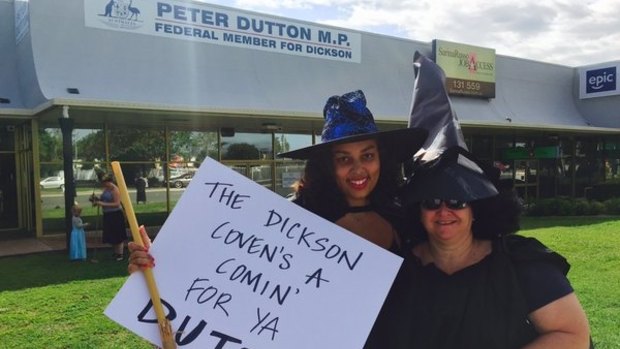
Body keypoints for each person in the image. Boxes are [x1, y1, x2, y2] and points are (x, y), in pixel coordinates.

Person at [127, 90, 428, 349]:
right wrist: (160, 270)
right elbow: (237, 286)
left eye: (367, 155)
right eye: (344, 159)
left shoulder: (405, 217)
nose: (359, 169)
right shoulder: (292, 221)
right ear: (327, 166)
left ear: (382, 159)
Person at [402, 145, 591, 349]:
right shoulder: (399, 270)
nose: (443, 211)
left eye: (457, 201)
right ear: (418, 211)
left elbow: (573, 336)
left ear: (476, 209)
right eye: (432, 202)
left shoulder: (520, 264)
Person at [93, 174, 127, 261]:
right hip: (107, 214)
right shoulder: (106, 189)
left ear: (109, 181)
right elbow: (104, 199)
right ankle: (115, 252)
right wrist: (97, 200)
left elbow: (117, 203)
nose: (104, 184)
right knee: (111, 233)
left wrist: (103, 204)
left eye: (105, 182)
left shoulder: (115, 189)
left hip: (115, 214)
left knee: (117, 233)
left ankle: (120, 254)